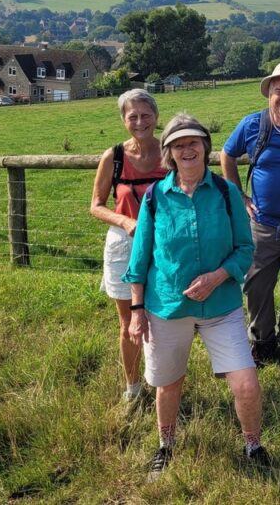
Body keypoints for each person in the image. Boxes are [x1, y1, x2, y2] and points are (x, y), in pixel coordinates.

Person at [124, 113, 268, 480]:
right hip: (168, 307)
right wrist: (137, 310)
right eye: (178, 144)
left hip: (221, 306)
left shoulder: (225, 192)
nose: (187, 149)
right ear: (169, 152)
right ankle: (166, 445)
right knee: (168, 383)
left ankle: (253, 445)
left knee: (246, 384)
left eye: (193, 142)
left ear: (205, 147)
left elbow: (244, 248)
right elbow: (139, 258)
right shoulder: (157, 197)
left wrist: (218, 276)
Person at [221, 63, 280, 367]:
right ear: (269, 94)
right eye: (279, 91)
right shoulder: (252, 125)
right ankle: (262, 342)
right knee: (257, 286)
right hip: (261, 224)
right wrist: (240, 195)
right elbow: (227, 154)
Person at [89, 89, 167, 405]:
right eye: (132, 116)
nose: (139, 121)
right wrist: (125, 222)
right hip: (124, 244)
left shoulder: (171, 152)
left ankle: (163, 382)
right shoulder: (114, 157)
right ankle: (132, 388)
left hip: (165, 243)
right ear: (123, 120)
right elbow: (96, 205)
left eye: (145, 115)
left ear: (156, 117)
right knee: (129, 323)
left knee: (163, 319)